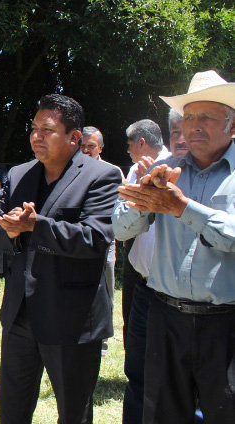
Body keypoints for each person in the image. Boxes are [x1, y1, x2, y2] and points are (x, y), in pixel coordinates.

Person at [0, 94, 122, 424]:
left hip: (71, 317)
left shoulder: (101, 176)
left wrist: (36, 225)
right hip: (20, 313)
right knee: (12, 409)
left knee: (73, 413)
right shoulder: (19, 174)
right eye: (34, 129)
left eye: (47, 130)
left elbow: (94, 239)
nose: (36, 136)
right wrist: (9, 230)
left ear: (74, 138)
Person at [113, 70, 235, 424]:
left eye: (207, 117)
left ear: (232, 125)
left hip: (226, 324)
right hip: (166, 317)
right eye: (189, 117)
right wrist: (144, 202)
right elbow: (120, 230)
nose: (194, 127)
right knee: (163, 414)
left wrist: (182, 207)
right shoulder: (164, 171)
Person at [117, 119, 172, 424]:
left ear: (141, 142)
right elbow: (121, 225)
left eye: (129, 145)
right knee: (136, 367)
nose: (129, 151)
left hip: (172, 291)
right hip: (141, 282)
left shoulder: (177, 169)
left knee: (168, 373)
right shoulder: (136, 171)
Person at [80, 126, 124, 355]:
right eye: (83, 146)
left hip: (105, 243)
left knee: (106, 292)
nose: (86, 150)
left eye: (91, 146)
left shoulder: (112, 172)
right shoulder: (70, 170)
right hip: (78, 241)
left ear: (101, 148)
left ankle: (102, 344)